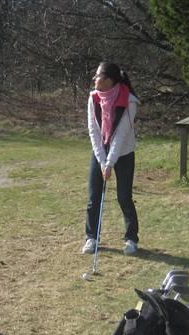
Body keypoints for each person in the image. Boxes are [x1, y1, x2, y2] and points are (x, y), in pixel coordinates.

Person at [82, 62, 141, 256]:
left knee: (124, 197)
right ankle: (91, 238)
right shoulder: (93, 98)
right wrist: (101, 161)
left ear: (108, 80)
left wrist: (110, 163)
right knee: (94, 197)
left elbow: (121, 135)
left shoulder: (129, 101)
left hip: (123, 152)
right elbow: (93, 131)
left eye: (97, 76)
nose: (94, 79)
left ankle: (131, 239)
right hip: (100, 151)